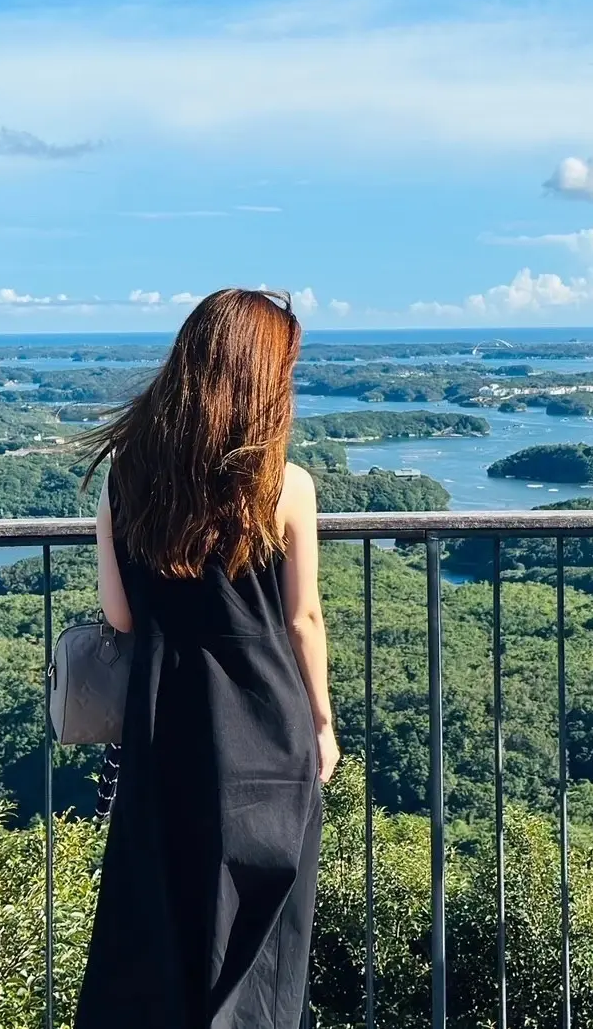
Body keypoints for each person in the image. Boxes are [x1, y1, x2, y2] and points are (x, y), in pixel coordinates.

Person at [75, 287, 339, 1029]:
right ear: (262, 380)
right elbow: (302, 619)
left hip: (165, 731)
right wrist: (322, 724)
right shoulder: (285, 486)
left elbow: (120, 614)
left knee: (159, 936)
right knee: (258, 958)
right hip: (267, 739)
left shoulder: (127, 477)